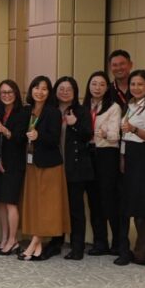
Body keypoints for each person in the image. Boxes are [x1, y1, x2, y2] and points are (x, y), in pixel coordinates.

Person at [18, 76, 69, 261]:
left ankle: (33, 243)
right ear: (31, 90)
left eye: (44, 88)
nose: (40, 92)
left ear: (49, 92)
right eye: (36, 87)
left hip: (49, 165)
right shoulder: (26, 110)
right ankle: (38, 246)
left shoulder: (53, 112)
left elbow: (54, 139)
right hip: (30, 164)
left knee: (47, 206)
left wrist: (38, 135)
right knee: (34, 205)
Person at [119, 70, 145, 267]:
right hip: (130, 155)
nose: (136, 88)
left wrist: (134, 129)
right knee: (134, 203)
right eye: (133, 84)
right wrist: (122, 157)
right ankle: (140, 250)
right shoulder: (130, 105)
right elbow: (125, 134)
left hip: (144, 156)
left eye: (140, 84)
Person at [82, 71, 123, 257]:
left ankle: (118, 242)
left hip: (107, 154)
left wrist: (105, 133)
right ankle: (100, 242)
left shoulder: (113, 107)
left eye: (101, 84)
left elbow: (115, 136)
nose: (97, 88)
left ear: (107, 88)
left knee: (109, 198)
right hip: (88, 154)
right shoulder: (84, 107)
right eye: (94, 84)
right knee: (94, 200)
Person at [54, 75, 94, 260]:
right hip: (55, 166)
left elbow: (88, 135)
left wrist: (75, 124)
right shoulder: (52, 110)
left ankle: (77, 247)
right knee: (57, 207)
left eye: (68, 89)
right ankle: (56, 242)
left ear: (75, 92)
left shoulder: (82, 111)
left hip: (75, 167)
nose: (64, 92)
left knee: (75, 209)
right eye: (61, 89)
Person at [0, 80, 27, 255]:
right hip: (0, 162)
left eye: (10, 92)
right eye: (3, 92)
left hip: (15, 163)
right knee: (1, 202)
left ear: (16, 93)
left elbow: (20, 139)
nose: (6, 95)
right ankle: (4, 238)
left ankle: (13, 240)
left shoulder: (23, 112)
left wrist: (4, 130)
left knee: (11, 203)